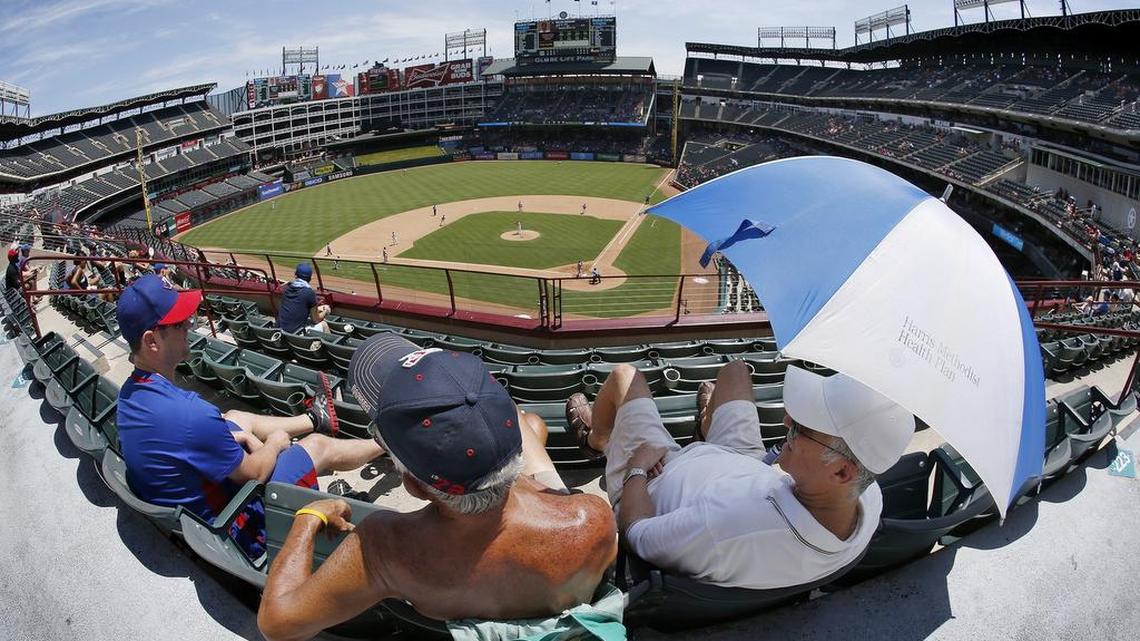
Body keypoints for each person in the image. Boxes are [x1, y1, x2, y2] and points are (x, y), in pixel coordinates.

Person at [257, 335, 616, 640]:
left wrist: (311, 514)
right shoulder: (592, 518)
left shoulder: (386, 546)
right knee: (530, 421)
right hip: (543, 526)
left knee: (529, 424)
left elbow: (277, 624)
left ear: (415, 486)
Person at [564, 362, 913, 589]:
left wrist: (637, 467)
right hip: (746, 468)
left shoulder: (725, 526)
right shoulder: (867, 494)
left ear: (840, 470)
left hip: (658, 474)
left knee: (626, 376)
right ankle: (706, 428)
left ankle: (598, 440)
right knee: (736, 372)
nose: (787, 422)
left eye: (802, 428)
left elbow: (635, 532)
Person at [115, 274, 385, 564]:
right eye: (181, 323)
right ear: (152, 341)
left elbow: (182, 440)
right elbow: (255, 472)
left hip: (197, 514)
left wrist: (239, 438)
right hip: (237, 529)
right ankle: (386, 443)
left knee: (234, 418)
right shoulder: (189, 413)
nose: (190, 327)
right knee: (317, 446)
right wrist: (277, 444)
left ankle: (313, 417)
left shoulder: (130, 395)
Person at [277, 263, 330, 334]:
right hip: (294, 336)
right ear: (310, 278)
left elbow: (297, 306)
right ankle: (330, 345)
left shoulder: (287, 288)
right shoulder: (309, 293)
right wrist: (325, 311)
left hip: (278, 331)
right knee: (324, 325)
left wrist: (319, 308)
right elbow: (316, 320)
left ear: (296, 275)